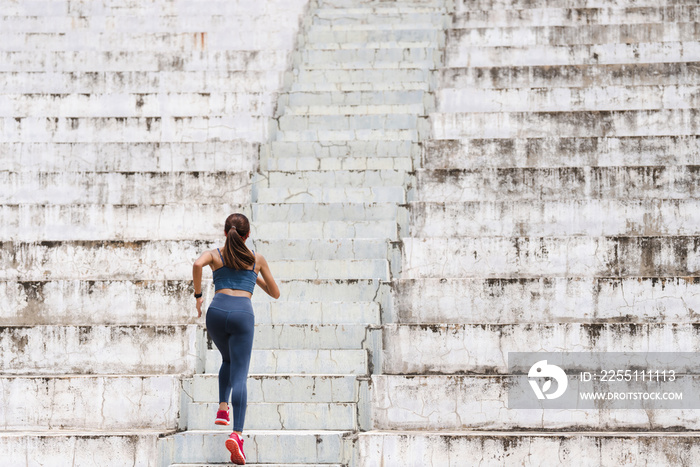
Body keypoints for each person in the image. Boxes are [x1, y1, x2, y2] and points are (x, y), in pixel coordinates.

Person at [192, 213, 280, 465]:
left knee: (227, 359)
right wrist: (254, 276)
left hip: (216, 312)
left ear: (225, 232)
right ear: (247, 235)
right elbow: (275, 293)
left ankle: (222, 407)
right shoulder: (256, 259)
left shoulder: (215, 255)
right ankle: (237, 434)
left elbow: (197, 265)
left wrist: (198, 295)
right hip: (242, 313)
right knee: (240, 373)